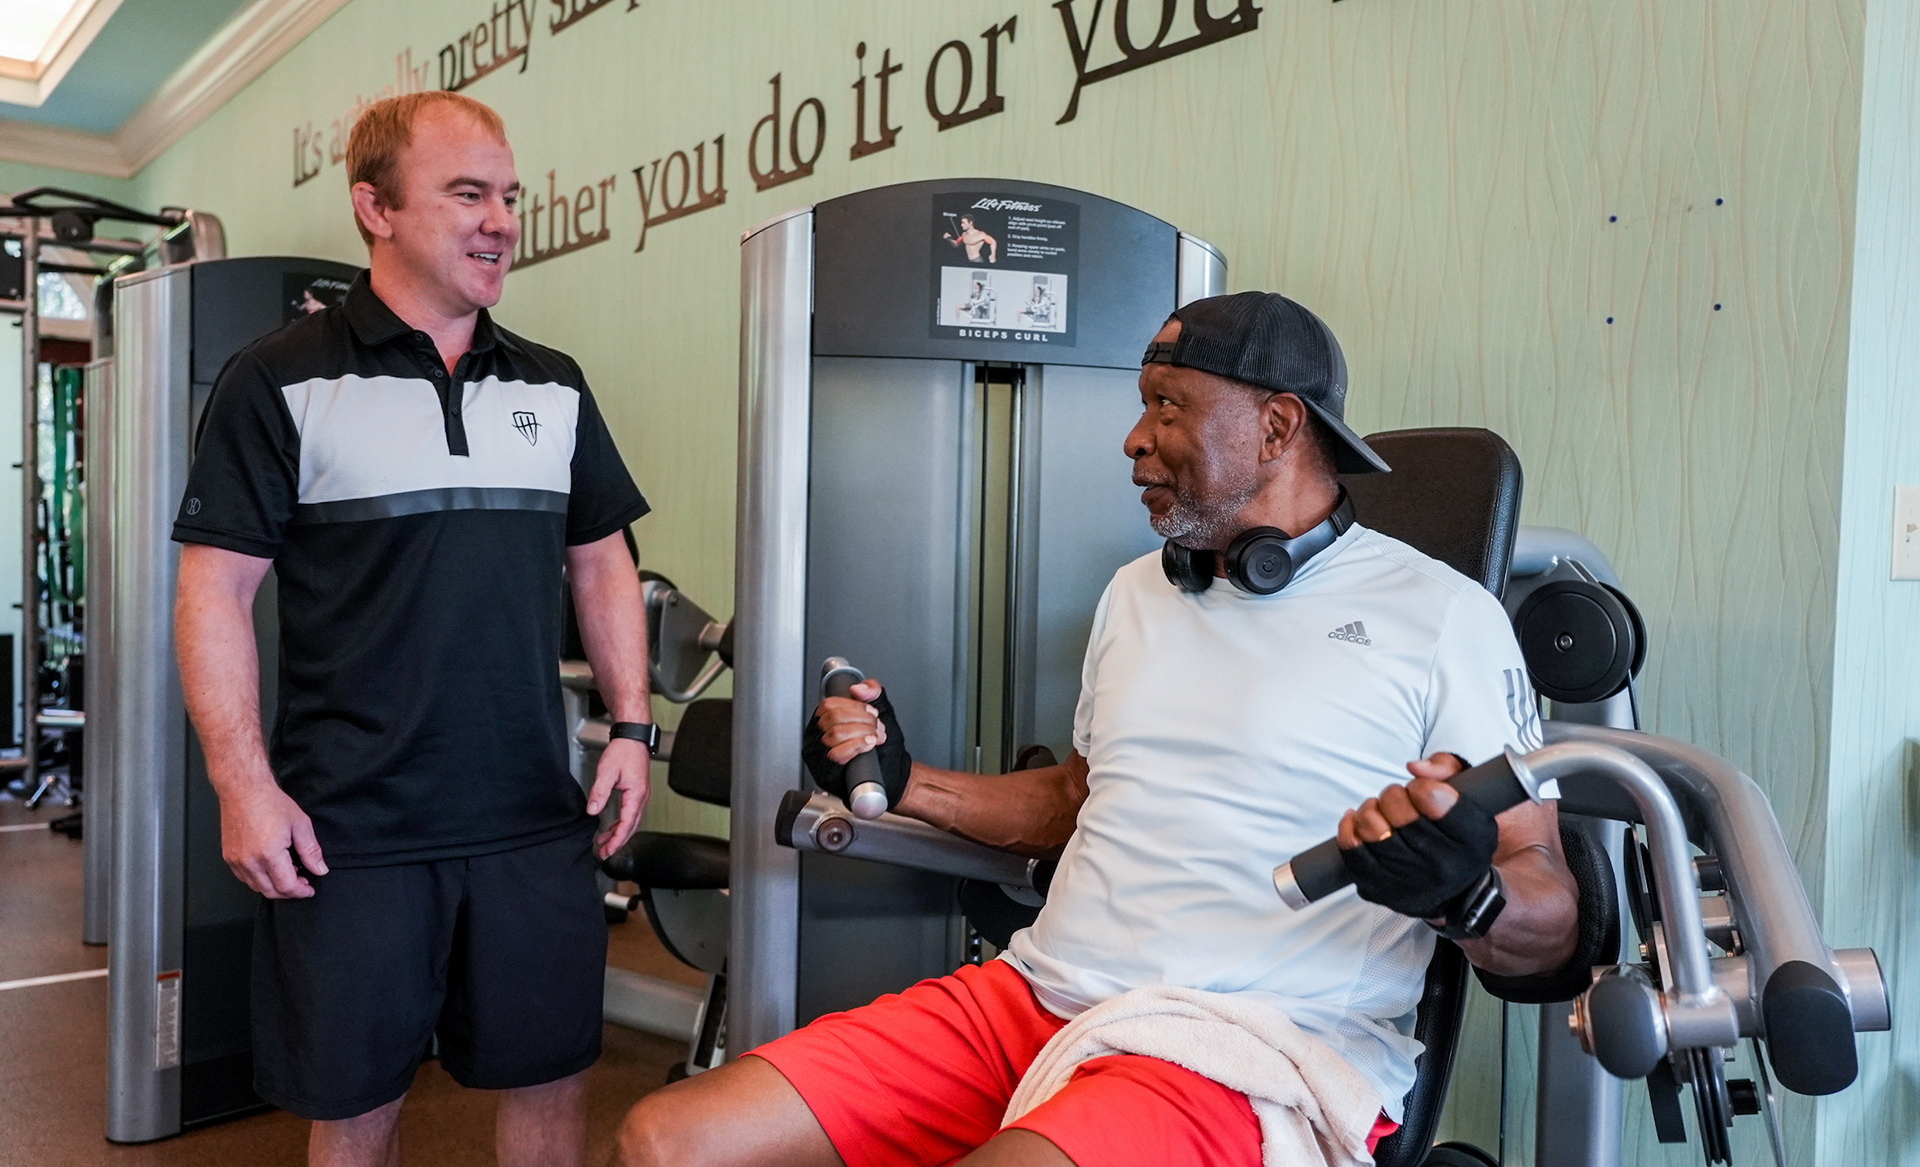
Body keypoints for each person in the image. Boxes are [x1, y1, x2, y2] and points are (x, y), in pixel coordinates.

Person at [611, 291, 1580, 1167]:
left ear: (1277, 426)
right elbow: (1078, 800)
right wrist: (907, 782)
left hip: (1240, 1044)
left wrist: (1465, 893)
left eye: (1168, 406)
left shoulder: (1440, 615)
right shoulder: (1137, 593)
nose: (1134, 439)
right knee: (665, 1141)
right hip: (1034, 997)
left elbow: (1549, 899)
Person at [172, 90, 654, 1167]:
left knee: (551, 1080)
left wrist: (632, 725)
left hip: (531, 813)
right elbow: (215, 593)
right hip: (354, 824)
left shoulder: (553, 385)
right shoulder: (280, 380)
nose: (501, 222)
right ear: (375, 208)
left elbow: (600, 557)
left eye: (510, 197)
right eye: (468, 194)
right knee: (357, 1106)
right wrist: (243, 785)